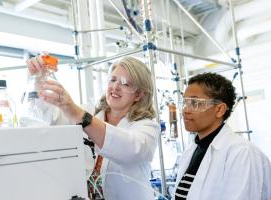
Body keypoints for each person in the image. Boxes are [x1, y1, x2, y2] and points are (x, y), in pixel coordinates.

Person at [26, 56, 160, 200]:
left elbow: (131, 148)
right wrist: (38, 79)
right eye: (113, 80)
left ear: (138, 94)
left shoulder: (147, 127)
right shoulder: (91, 113)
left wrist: (77, 113)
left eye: (125, 83)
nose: (115, 87)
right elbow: (50, 118)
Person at [173, 72, 271, 200]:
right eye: (185, 102)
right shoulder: (192, 150)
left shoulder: (243, 153)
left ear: (219, 110)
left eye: (195, 103)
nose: (185, 110)